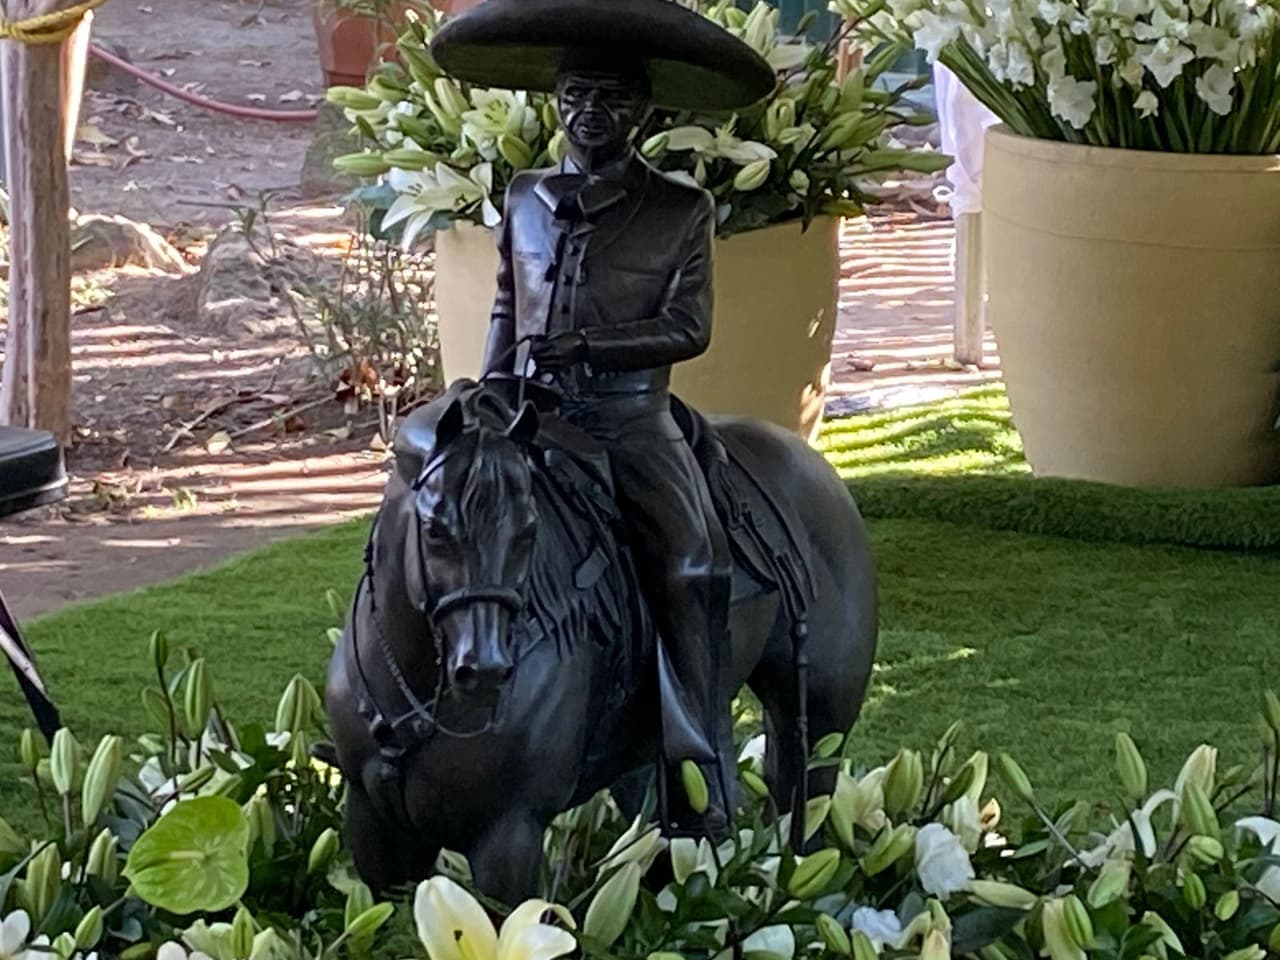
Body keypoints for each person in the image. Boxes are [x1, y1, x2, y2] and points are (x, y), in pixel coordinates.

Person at [430, 0, 775, 833]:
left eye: (614, 99)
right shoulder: (523, 197)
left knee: (692, 560)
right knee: (445, 511)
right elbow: (508, 308)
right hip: (531, 412)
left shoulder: (679, 210)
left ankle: (697, 752)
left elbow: (689, 328)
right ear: (555, 104)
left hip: (630, 420)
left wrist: (589, 345)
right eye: (577, 95)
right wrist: (489, 389)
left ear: (645, 113)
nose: (592, 113)